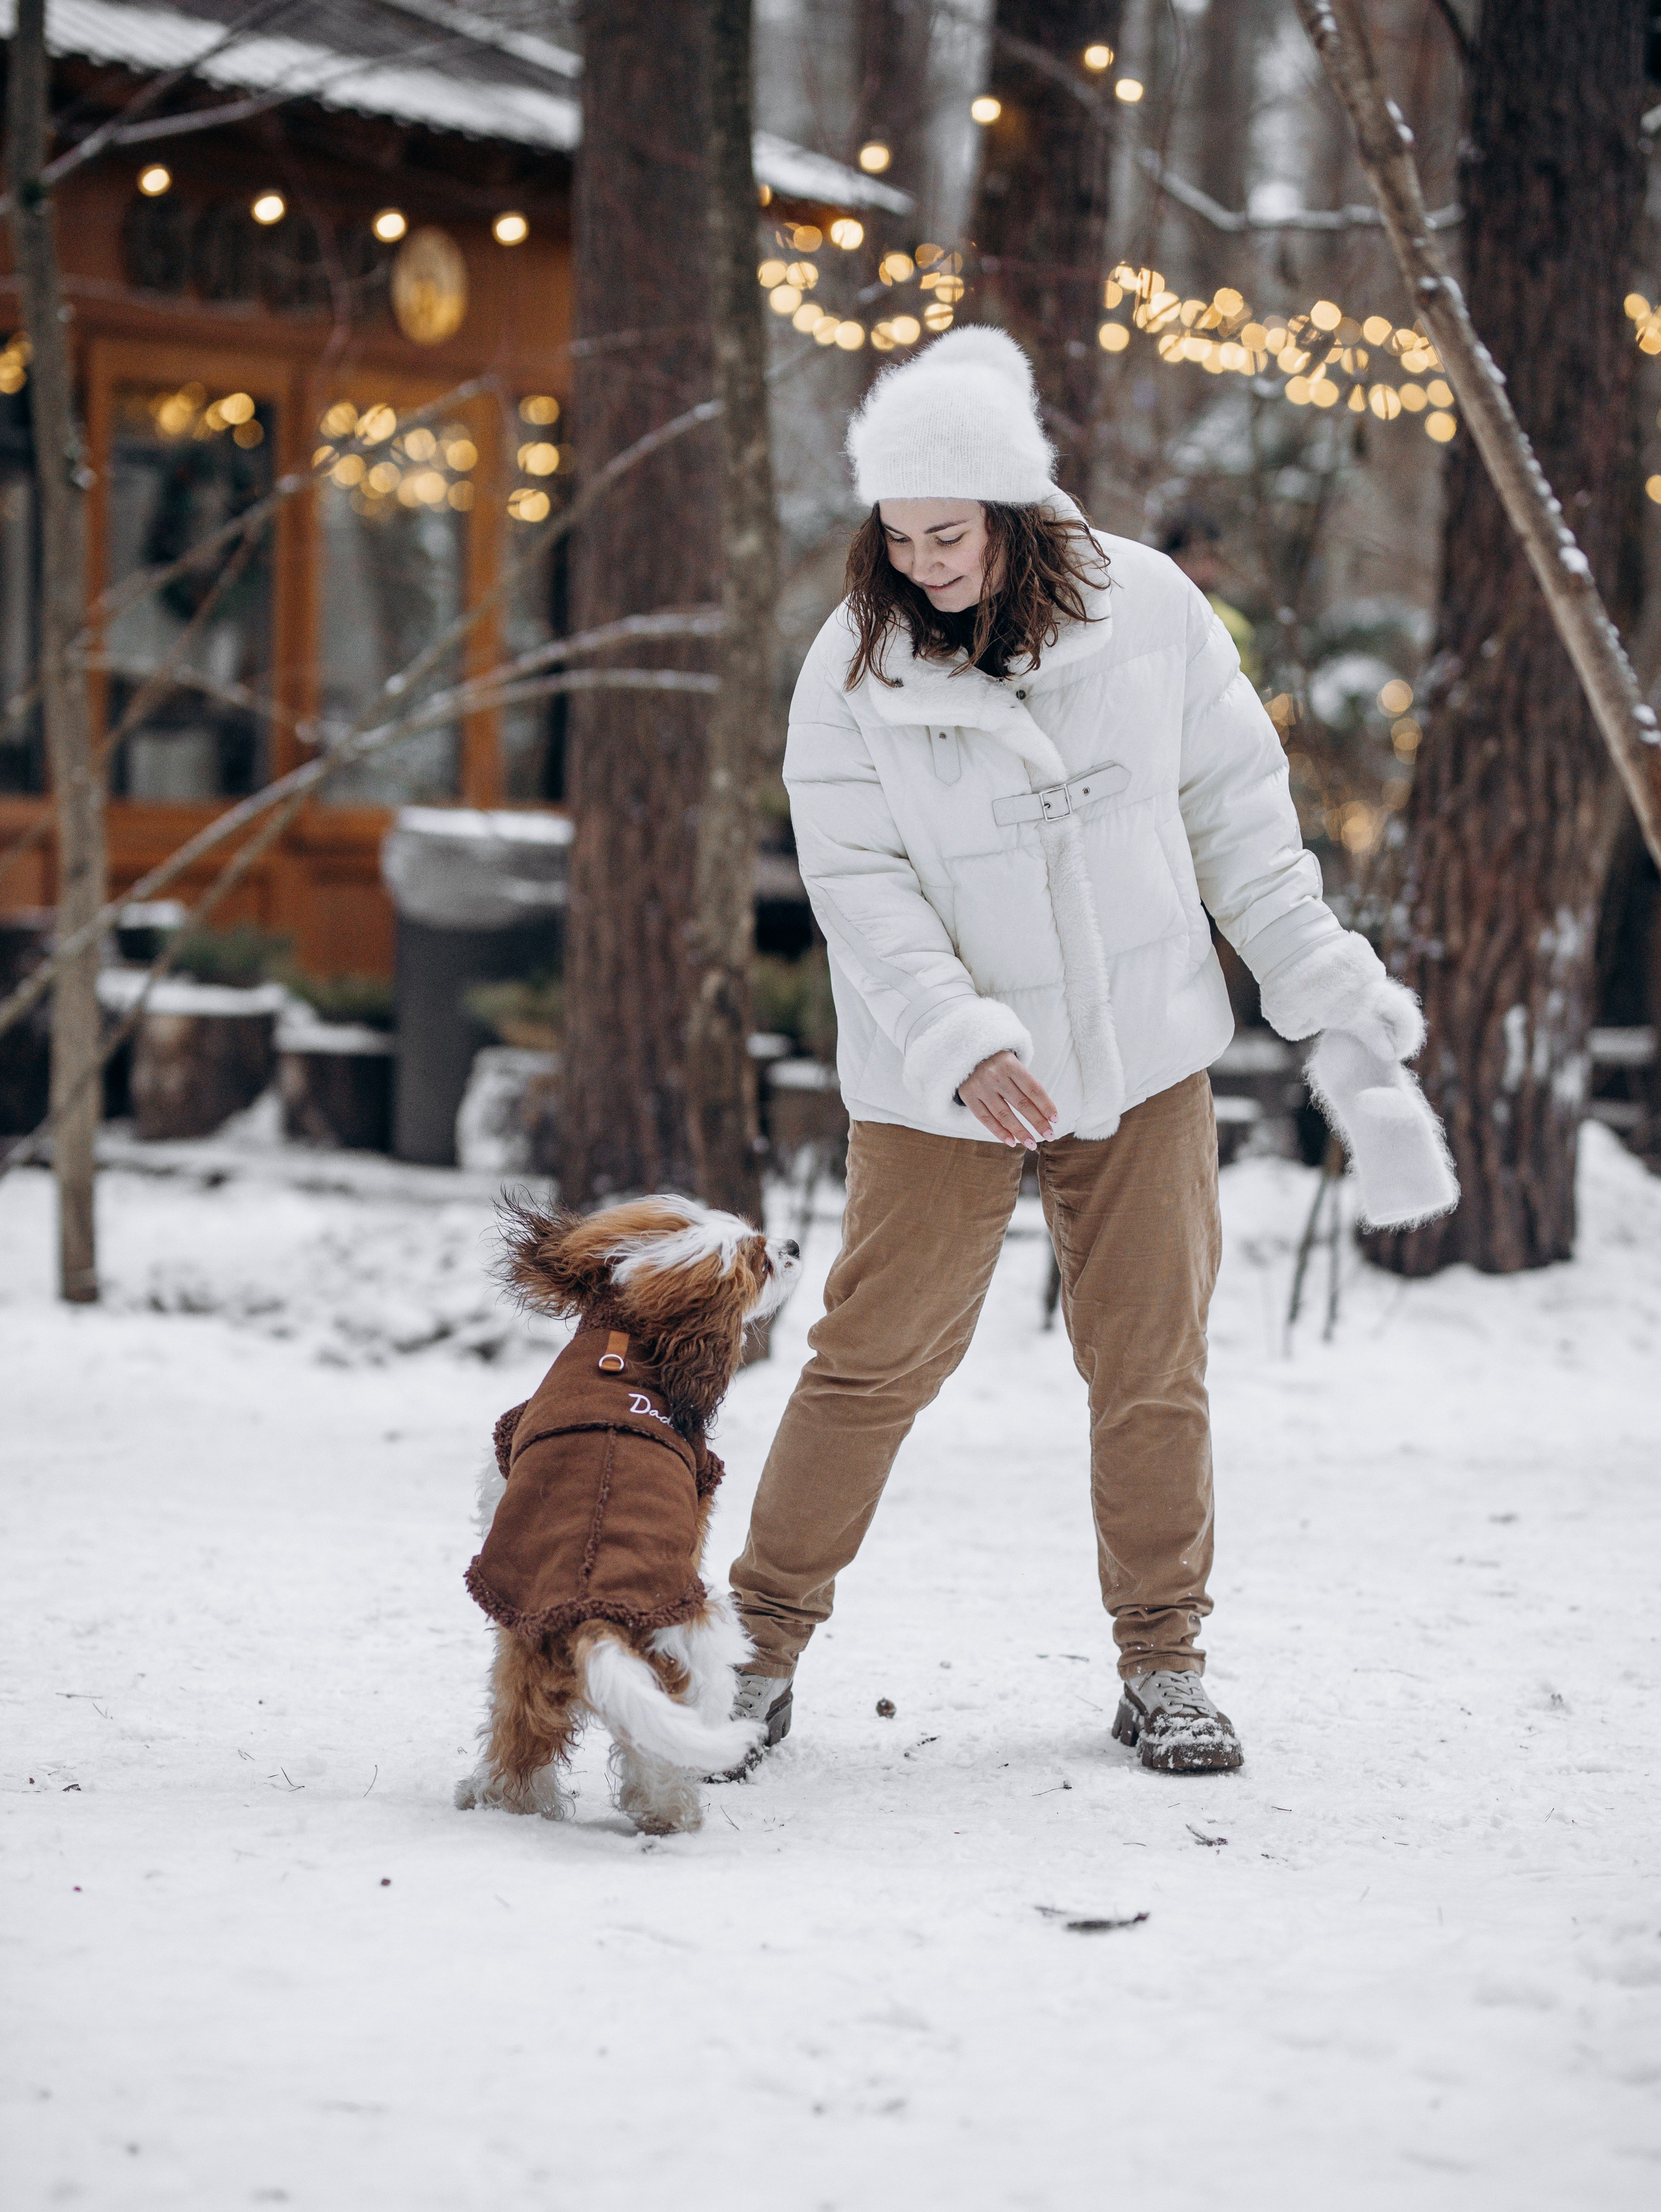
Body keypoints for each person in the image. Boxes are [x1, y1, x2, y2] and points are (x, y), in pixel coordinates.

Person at [719, 328, 1427, 1777]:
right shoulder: (850, 669)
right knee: (873, 1359)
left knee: (1152, 1363)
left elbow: (1243, 828)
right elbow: (859, 890)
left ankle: (1164, 1663)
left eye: (948, 533)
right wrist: (959, 1038)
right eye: (897, 535)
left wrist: (1319, 984)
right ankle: (754, 1647)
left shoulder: (1151, 611)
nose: (922, 563)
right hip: (942, 1078)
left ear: (1016, 509)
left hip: (1141, 1051)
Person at [1160, 508, 1261, 688]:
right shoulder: (1151, 610)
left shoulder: (1231, 625)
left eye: (1212, 557)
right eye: (1195, 556)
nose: (1207, 567)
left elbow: (1243, 687)